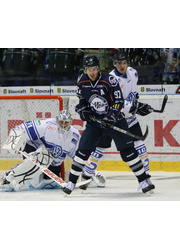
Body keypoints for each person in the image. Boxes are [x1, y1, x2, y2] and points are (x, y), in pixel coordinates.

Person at [62, 55, 155, 195]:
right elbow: (82, 99)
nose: (91, 72)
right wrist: (83, 110)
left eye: (93, 69)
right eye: (88, 69)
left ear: (98, 68)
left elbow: (118, 101)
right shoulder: (81, 80)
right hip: (94, 123)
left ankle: (143, 181)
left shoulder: (109, 80)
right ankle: (71, 183)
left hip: (115, 121)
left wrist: (111, 115)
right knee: (82, 152)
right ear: (85, 70)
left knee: (128, 152)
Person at [0, 110, 80, 191]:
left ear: (70, 123)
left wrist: (86, 174)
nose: (63, 125)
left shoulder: (74, 136)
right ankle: (9, 178)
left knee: (51, 184)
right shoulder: (47, 125)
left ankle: (39, 178)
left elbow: (79, 157)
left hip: (54, 163)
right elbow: (22, 128)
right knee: (44, 157)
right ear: (57, 121)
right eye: (61, 122)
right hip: (35, 151)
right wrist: (14, 141)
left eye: (66, 123)